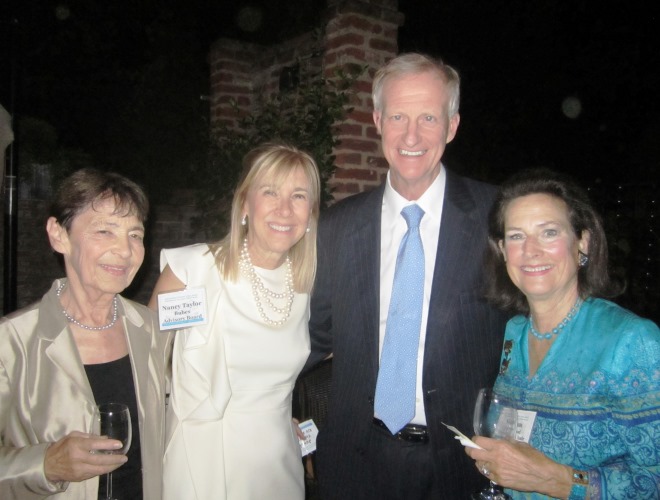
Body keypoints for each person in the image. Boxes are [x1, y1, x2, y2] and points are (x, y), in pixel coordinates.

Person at [306, 52, 510, 499]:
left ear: (452, 125)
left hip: (461, 466)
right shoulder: (337, 228)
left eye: (428, 118)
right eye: (398, 115)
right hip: (354, 463)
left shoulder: (497, 220)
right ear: (377, 120)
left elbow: (537, 331)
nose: (411, 135)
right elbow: (308, 337)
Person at [465, 168, 660, 499]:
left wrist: (555, 480)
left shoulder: (632, 341)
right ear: (502, 250)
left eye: (549, 232)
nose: (531, 250)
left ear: (582, 242)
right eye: (516, 236)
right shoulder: (514, 333)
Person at [149, 142, 321, 500]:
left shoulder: (305, 285)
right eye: (270, 192)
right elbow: (145, 369)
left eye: (299, 196)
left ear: (311, 213)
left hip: (276, 463)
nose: (284, 209)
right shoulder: (192, 270)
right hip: (202, 461)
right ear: (245, 203)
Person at [0, 168, 171, 499]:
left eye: (135, 235)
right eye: (105, 231)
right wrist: (46, 464)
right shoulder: (11, 343)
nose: (125, 250)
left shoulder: (150, 330)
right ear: (58, 235)